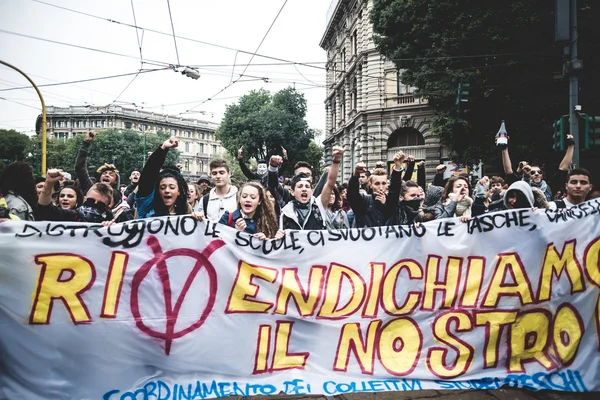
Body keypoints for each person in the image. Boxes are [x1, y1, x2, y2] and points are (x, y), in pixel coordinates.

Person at [279, 146, 344, 230]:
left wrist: (336, 161)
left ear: (312, 191)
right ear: (292, 191)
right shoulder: (285, 213)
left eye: (307, 186)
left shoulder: (319, 206)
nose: (304, 189)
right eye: (300, 186)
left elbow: (330, 184)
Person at [75, 131, 132, 221]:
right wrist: (85, 144)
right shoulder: (91, 188)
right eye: (104, 173)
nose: (107, 175)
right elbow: (80, 168)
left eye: (111, 174)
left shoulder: (120, 202)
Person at [135, 137, 191, 218]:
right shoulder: (147, 208)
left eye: (172, 187)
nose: (167, 191)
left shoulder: (185, 212)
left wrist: (198, 217)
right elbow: (147, 177)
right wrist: (163, 148)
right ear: (157, 190)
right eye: (162, 187)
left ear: (178, 191)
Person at [37, 169, 115, 224]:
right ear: (84, 199)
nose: (93, 207)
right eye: (90, 201)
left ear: (107, 207)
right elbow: (45, 211)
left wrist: (112, 229)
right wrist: (48, 183)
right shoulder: (72, 216)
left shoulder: (109, 225)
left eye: (100, 205)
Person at [216, 182, 284, 240]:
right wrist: (236, 233)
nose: (248, 200)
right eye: (244, 196)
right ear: (239, 199)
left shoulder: (267, 222)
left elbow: (271, 250)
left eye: (253, 197)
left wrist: (264, 241)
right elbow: (215, 243)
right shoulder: (227, 218)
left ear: (259, 201)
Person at [348, 162, 388, 228]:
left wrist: (384, 205)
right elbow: (352, 195)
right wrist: (355, 175)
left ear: (387, 185)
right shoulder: (364, 201)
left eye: (383, 183)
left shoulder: (391, 203)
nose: (381, 188)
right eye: (377, 184)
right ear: (371, 185)